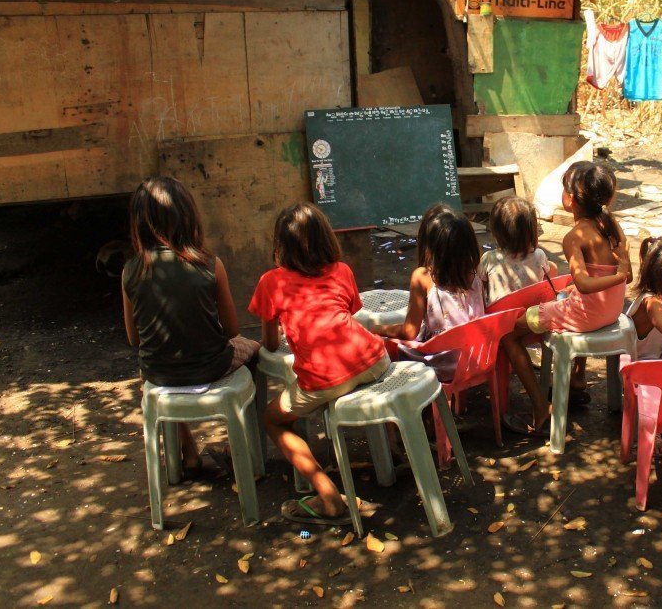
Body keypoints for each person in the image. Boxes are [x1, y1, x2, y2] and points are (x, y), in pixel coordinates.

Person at [249, 202, 389, 525]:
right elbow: (348, 317)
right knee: (336, 386)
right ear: (326, 238)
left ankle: (326, 493)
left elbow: (270, 344)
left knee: (272, 418)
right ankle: (386, 453)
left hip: (327, 378)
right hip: (374, 359)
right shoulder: (342, 270)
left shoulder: (271, 282)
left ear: (280, 246)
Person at [122, 177, 260, 478]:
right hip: (212, 366)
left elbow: (134, 338)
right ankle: (247, 448)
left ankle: (189, 452)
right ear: (188, 216)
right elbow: (232, 330)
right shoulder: (210, 263)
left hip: (159, 373)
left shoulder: (131, 270)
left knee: (157, 368)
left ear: (140, 223)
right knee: (256, 350)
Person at [500, 161, 632, 436]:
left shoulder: (574, 237)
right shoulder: (610, 223)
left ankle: (539, 408)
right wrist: (620, 275)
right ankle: (577, 379)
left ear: (570, 199)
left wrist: (619, 276)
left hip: (586, 316)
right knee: (565, 291)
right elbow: (623, 271)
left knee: (510, 333)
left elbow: (585, 284)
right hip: (611, 310)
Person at [374, 209, 484, 381]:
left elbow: (409, 332)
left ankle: (406, 396)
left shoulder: (423, 277)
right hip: (478, 356)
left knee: (383, 341)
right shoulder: (476, 270)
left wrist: (378, 328)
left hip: (442, 365)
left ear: (429, 246)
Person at [480, 195, 556, 306]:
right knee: (552, 267)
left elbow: (479, 287)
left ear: (496, 232)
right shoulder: (539, 255)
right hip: (530, 313)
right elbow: (552, 271)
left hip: (501, 316)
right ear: (532, 231)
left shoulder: (489, 258)